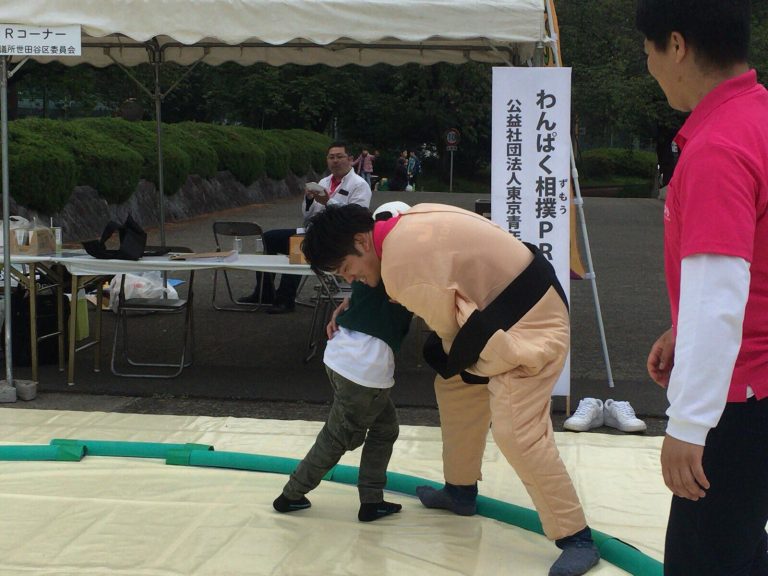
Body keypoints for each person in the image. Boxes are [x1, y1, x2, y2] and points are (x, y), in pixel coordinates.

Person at [301, 203, 600, 576]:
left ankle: (576, 537)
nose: (352, 278)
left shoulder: (400, 267)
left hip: (532, 328)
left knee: (516, 432)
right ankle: (460, 490)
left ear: (361, 241)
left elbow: (449, 329)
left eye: (348, 269)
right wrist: (356, 301)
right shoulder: (400, 226)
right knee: (455, 386)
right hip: (513, 307)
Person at [638, 1, 768, 575]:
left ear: (676, 45)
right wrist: (682, 329)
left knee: (707, 561)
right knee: (742, 549)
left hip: (737, 403)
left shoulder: (718, 147)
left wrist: (690, 424)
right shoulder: (758, 115)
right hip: (755, 386)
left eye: (648, 52)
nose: (649, 67)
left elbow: (717, 300)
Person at [273, 201, 413, 522]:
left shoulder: (378, 259)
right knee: (338, 437)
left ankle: (371, 499)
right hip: (363, 370)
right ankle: (291, 494)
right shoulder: (389, 263)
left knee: (384, 428)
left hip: (343, 358)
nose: (350, 277)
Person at [238, 142, 372, 313]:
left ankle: (285, 299)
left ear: (350, 159)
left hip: (338, 239)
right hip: (314, 232)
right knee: (269, 238)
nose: (335, 161)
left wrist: (328, 201)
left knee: (299, 245)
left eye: (340, 157)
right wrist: (308, 200)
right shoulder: (323, 182)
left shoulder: (359, 185)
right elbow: (309, 216)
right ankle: (264, 292)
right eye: (331, 157)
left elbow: (356, 219)